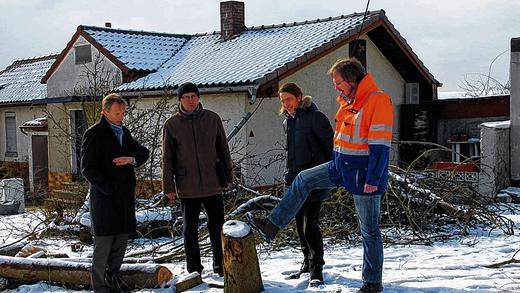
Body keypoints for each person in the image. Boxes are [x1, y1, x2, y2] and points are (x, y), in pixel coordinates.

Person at [247, 58, 393, 293]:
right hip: (339, 166)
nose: (336, 87)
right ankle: (272, 225)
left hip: (363, 173)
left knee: (369, 230)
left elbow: (380, 145)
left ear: (352, 79)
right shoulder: (349, 101)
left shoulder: (377, 100)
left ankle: (373, 282)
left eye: (338, 82)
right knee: (303, 178)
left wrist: (373, 179)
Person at [162, 82, 233, 277]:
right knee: (189, 230)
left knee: (217, 227)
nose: (190, 100)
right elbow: (167, 158)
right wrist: (168, 185)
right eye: (186, 97)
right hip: (187, 185)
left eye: (193, 96)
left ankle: (221, 266)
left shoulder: (212, 119)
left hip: (212, 182)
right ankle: (194, 269)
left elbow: (223, 149)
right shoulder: (172, 124)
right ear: (180, 100)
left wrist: (228, 176)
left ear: (199, 98)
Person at [81, 93, 150, 293]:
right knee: (103, 247)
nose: (121, 116)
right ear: (105, 112)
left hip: (124, 198)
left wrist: (131, 159)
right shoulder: (94, 134)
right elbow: (87, 168)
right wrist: (108, 187)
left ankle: (113, 284)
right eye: (118, 113)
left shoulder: (124, 132)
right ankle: (100, 287)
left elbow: (143, 152)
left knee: (120, 244)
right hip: (104, 199)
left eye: (123, 112)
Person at [278, 83, 333, 285]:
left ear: (299, 97)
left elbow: (330, 147)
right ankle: (306, 262)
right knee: (299, 223)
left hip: (314, 179)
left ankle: (317, 267)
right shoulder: (287, 122)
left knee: (310, 223)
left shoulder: (315, 118)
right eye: (283, 100)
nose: (286, 104)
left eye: (289, 99)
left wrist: (328, 174)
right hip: (294, 181)